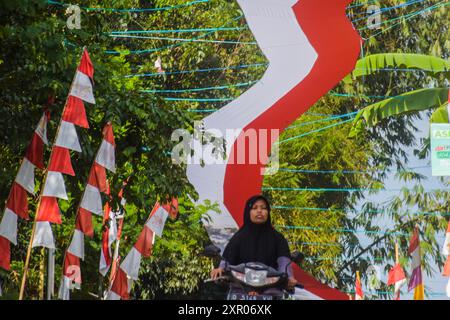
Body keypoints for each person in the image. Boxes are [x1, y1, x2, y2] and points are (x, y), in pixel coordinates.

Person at [210, 195, 297, 290]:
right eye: (254, 208)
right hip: (241, 288)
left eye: (264, 208)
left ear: (268, 212)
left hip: (270, 289)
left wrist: (289, 277)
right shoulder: (239, 237)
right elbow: (228, 259)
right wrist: (220, 269)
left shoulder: (278, 238)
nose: (259, 211)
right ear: (248, 212)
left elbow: (284, 262)